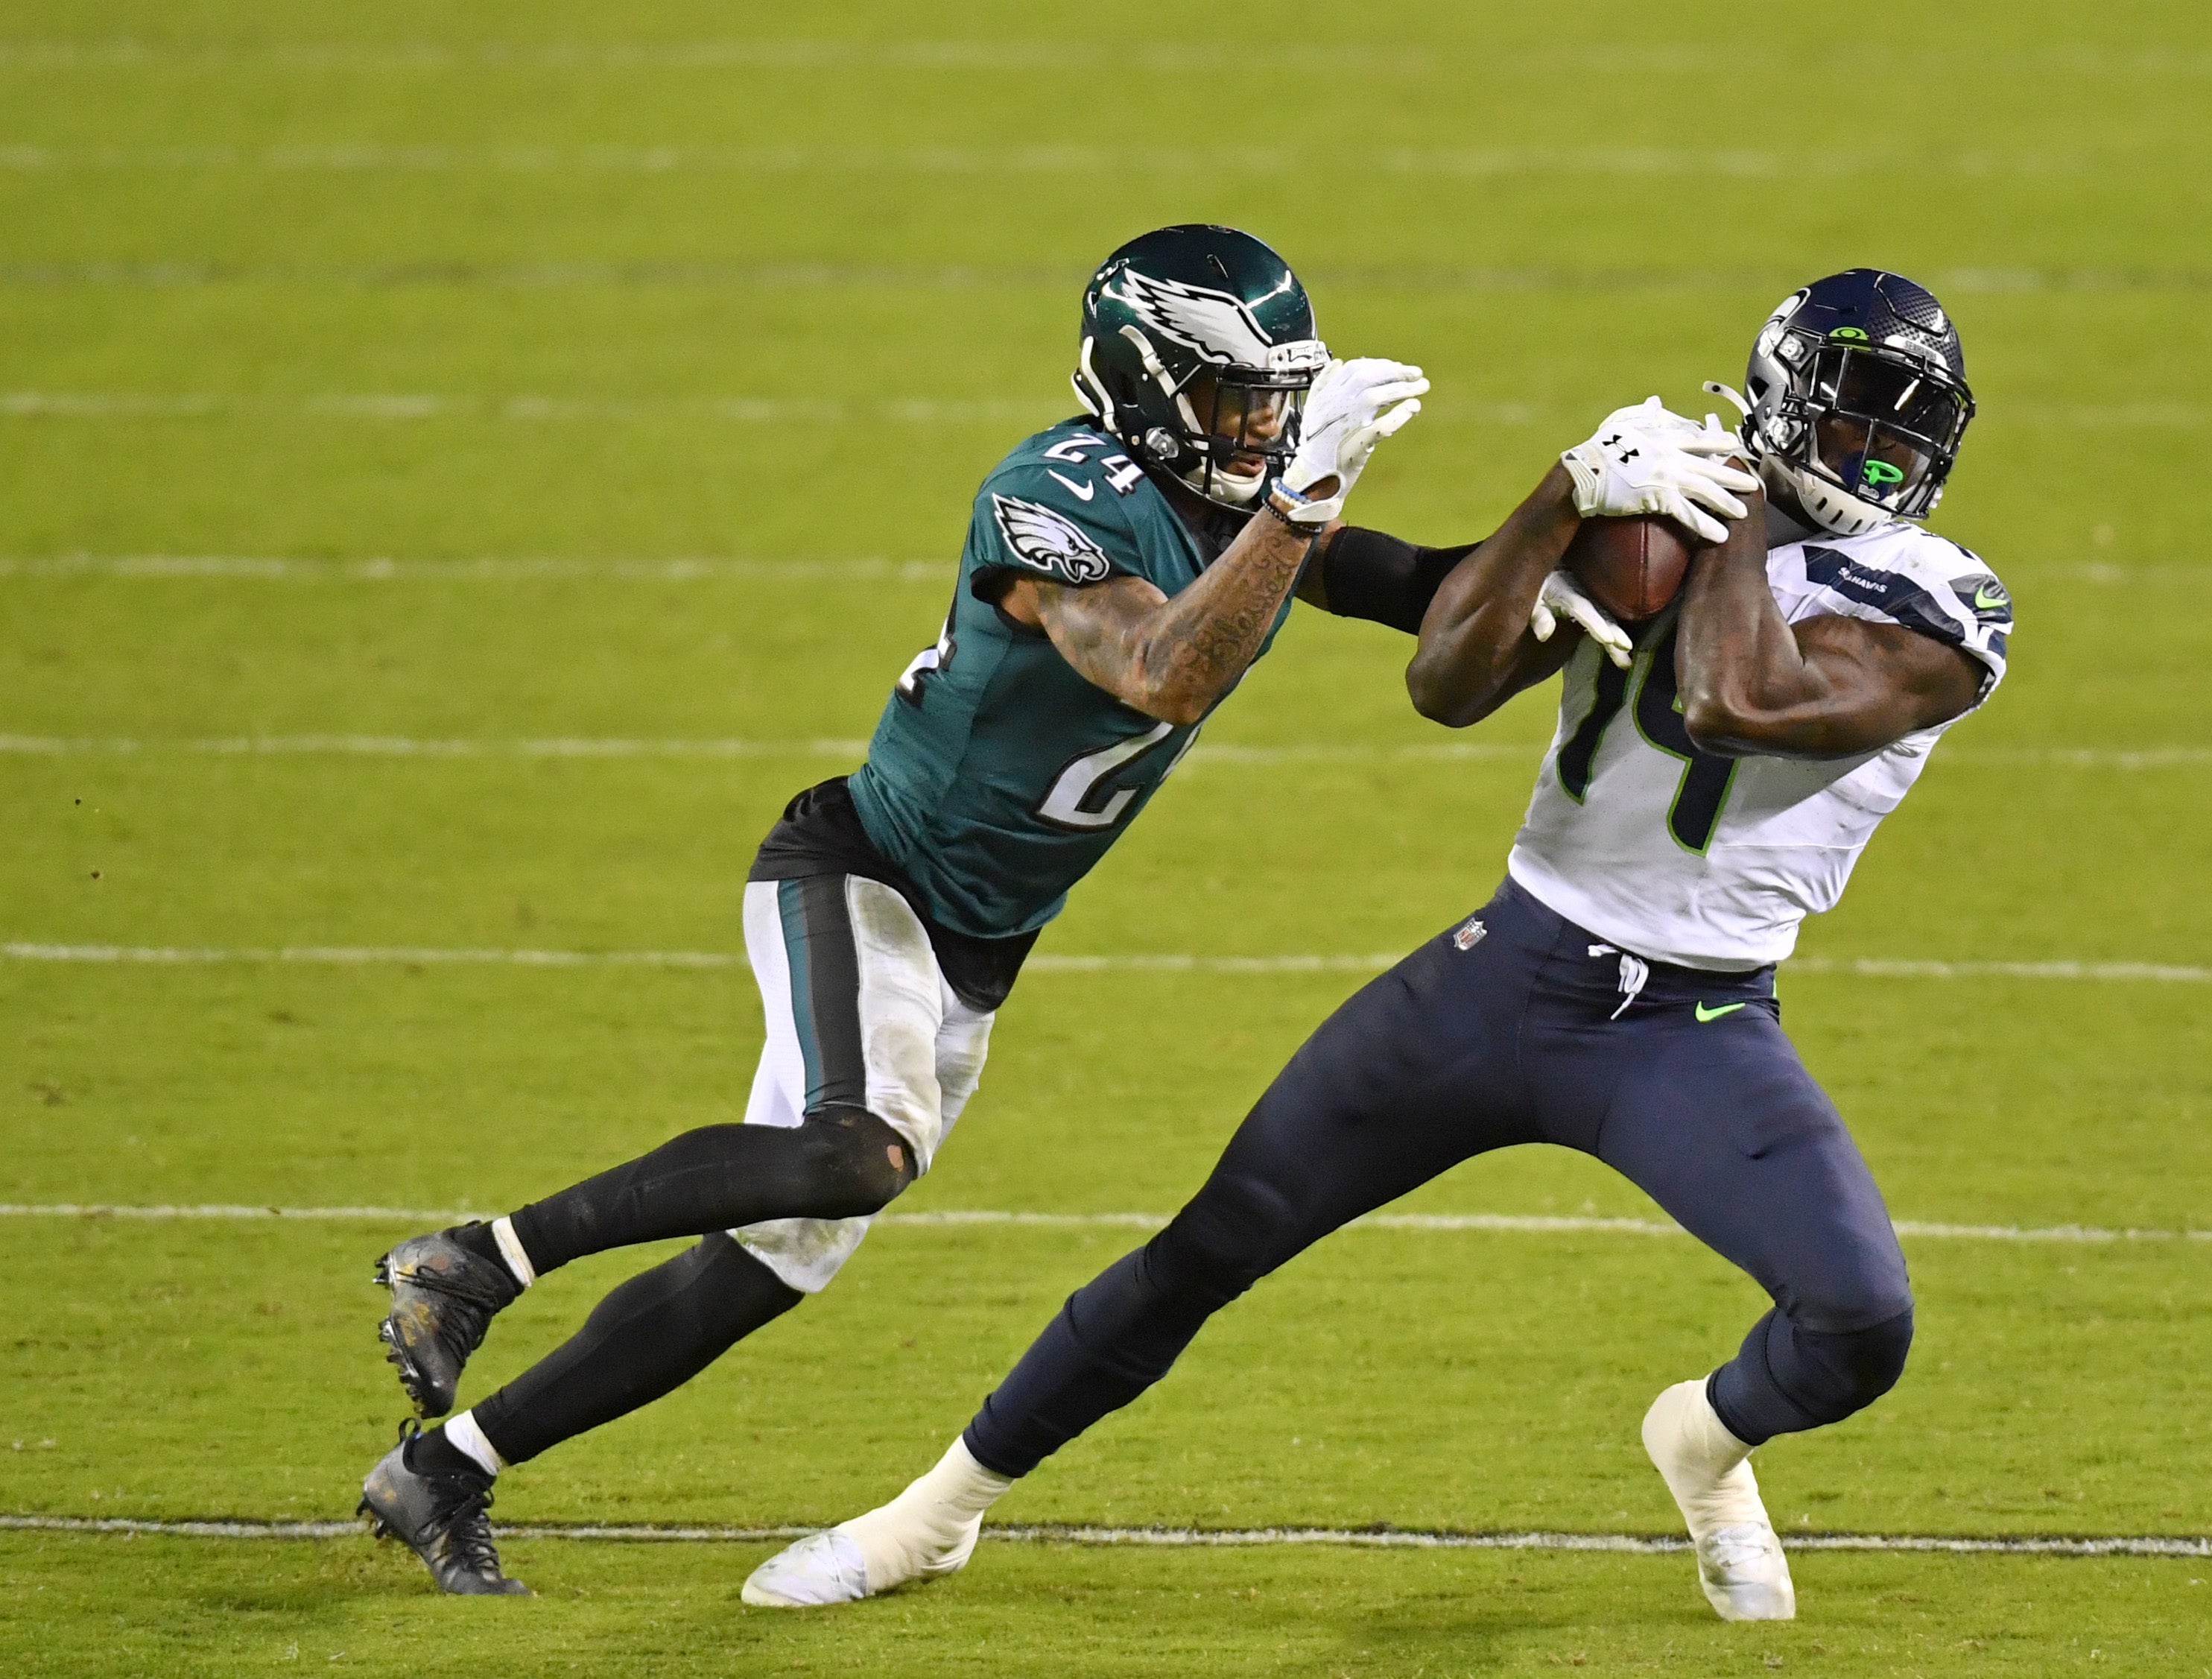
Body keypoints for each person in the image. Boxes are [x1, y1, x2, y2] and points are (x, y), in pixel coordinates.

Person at [740, 270, 2010, 1622]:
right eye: (1856, 406)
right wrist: (1568, 496)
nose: (1881, 447)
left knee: (1863, 1321)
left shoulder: (1947, 601)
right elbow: (1446, 685)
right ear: (1773, 398)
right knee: (1212, 1244)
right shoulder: (1664, 508)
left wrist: (1733, 516)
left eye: (1909, 417)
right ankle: (930, 1517)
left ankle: (1702, 1439)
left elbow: (1734, 701)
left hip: (1693, 1025)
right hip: (1506, 971)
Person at [353, 224, 1452, 1594]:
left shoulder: (1247, 509)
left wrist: (1591, 521)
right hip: (864, 872)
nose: (1266, 427)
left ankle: (442, 1470)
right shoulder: (1052, 491)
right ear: (1144, 380)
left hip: (977, 946)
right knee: (857, 1151)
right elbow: (1161, 669)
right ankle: (478, 1258)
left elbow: (1425, 591)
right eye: (1237, 396)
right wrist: (1300, 505)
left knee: (764, 1269)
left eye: (1281, 399)